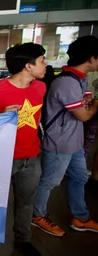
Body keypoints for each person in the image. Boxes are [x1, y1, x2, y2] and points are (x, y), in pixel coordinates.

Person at [0, 43, 48, 256]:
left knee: (26, 200)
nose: (46, 65)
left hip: (32, 155)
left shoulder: (40, 88)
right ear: (28, 65)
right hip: (1, 156)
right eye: (42, 60)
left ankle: (23, 240)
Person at [32, 36, 98, 236]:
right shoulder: (66, 83)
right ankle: (37, 215)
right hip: (59, 142)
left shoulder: (80, 78)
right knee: (50, 181)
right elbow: (84, 114)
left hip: (74, 142)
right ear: (92, 58)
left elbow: (85, 106)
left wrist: (90, 104)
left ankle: (81, 216)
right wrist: (95, 104)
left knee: (78, 177)